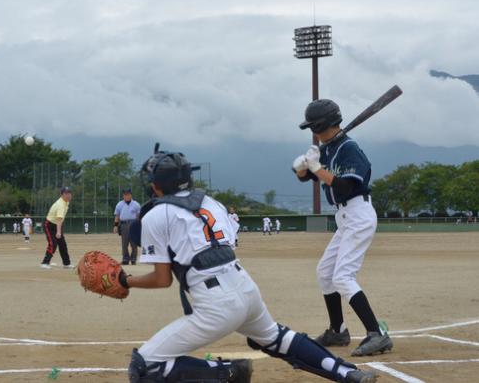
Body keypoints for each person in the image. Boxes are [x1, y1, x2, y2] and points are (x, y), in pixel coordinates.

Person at [123, 146, 377, 383]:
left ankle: (229, 372)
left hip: (214, 303)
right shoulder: (211, 203)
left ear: (156, 186)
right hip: (244, 286)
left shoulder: (156, 214)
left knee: (145, 365)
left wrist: (126, 281)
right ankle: (347, 373)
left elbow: (162, 279)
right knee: (278, 339)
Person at [294, 99, 393, 356]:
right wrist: (303, 167)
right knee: (325, 273)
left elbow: (344, 186)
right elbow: (308, 179)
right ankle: (337, 331)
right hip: (345, 218)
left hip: (358, 214)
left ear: (323, 124)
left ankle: (377, 334)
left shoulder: (349, 149)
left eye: (314, 127)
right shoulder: (329, 148)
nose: (312, 133)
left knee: (342, 277)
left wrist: (316, 167)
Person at [40, 187, 73, 269]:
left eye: (69, 193)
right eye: (66, 193)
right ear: (62, 195)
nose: (68, 195)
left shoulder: (66, 202)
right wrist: (58, 232)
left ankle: (66, 263)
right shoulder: (60, 205)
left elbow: (60, 220)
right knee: (53, 244)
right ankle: (45, 263)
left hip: (58, 224)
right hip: (49, 225)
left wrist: (59, 231)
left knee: (62, 244)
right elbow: (59, 219)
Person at [113, 189, 141, 265]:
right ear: (123, 196)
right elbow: (117, 216)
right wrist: (115, 226)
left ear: (131, 195)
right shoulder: (119, 204)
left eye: (128, 194)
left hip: (133, 224)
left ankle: (133, 259)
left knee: (134, 243)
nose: (126, 196)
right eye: (125, 195)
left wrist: (138, 226)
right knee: (124, 243)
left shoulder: (136, 204)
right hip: (123, 224)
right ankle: (125, 259)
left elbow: (139, 216)